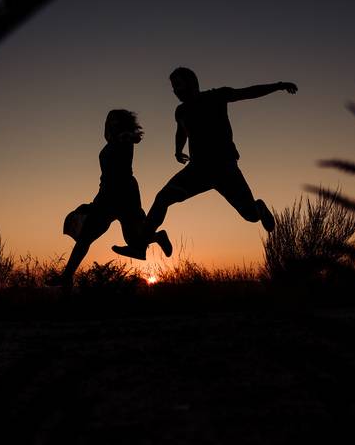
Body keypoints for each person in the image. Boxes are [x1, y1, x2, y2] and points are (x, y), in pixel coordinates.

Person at [116, 68, 297, 259]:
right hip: (198, 170)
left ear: (192, 82)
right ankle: (140, 246)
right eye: (173, 87)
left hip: (224, 167)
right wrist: (178, 150)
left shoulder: (216, 96)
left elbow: (248, 92)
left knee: (251, 216)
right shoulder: (181, 111)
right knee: (163, 198)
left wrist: (279, 86)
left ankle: (258, 207)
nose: (175, 90)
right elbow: (181, 131)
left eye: (178, 84)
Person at [49, 109, 172, 289]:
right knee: (129, 240)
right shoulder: (112, 143)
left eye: (116, 120)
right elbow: (106, 177)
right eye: (109, 120)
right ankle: (157, 236)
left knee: (90, 238)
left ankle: (66, 277)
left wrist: (127, 136)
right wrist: (93, 204)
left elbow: (130, 138)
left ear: (122, 123)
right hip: (113, 192)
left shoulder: (124, 139)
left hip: (120, 192)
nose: (111, 123)